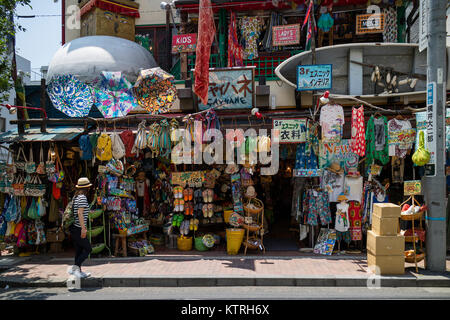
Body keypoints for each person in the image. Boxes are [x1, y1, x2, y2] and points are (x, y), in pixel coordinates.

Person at [67, 177, 93, 278]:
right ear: (87, 188)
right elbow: (80, 213)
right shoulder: (82, 197)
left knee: (79, 250)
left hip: (75, 228)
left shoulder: (77, 197)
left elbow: (80, 212)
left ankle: (79, 272)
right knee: (88, 249)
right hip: (78, 228)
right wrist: (83, 228)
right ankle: (75, 268)